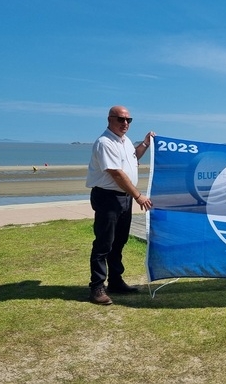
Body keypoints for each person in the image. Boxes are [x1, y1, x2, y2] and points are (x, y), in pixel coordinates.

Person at [86, 105, 155, 305]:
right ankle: (97, 287)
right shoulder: (104, 142)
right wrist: (138, 196)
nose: (125, 123)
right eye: (121, 119)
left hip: (123, 198)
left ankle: (116, 281)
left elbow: (133, 157)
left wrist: (145, 144)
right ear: (110, 119)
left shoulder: (123, 142)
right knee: (104, 243)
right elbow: (116, 173)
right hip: (108, 197)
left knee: (119, 241)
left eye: (128, 120)